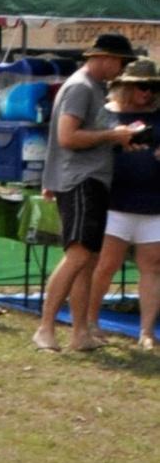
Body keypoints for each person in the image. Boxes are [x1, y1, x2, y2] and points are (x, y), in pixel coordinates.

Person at [33, 28, 133, 353]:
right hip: (80, 181)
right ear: (103, 58)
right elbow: (67, 137)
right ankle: (45, 328)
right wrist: (110, 136)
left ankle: (79, 334)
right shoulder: (80, 87)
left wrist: (119, 138)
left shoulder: (94, 87)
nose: (122, 69)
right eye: (120, 62)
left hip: (91, 179)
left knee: (88, 259)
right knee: (77, 256)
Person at [86, 54, 160, 354]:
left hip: (153, 202)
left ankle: (146, 332)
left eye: (153, 88)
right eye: (142, 87)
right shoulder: (106, 114)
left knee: (152, 267)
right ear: (126, 87)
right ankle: (90, 321)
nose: (149, 93)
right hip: (114, 202)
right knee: (105, 265)